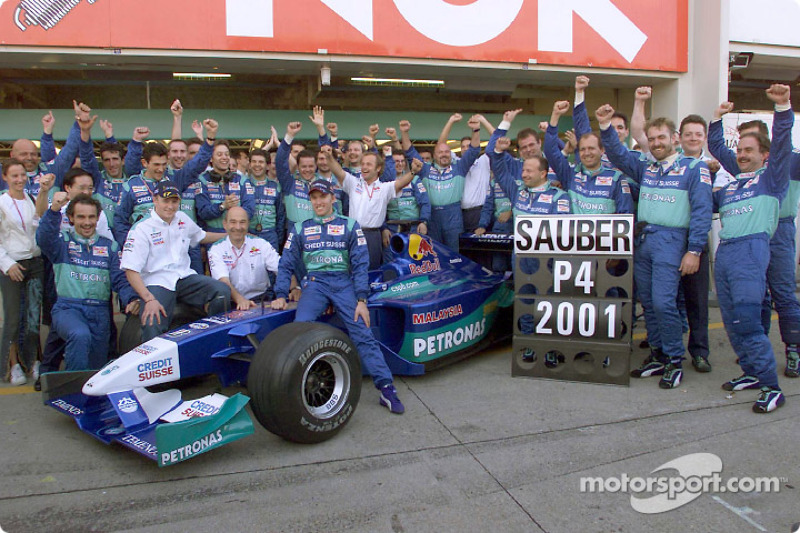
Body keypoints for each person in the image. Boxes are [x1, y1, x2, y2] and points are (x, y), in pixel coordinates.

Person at [596, 104, 712, 390]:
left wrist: (694, 250)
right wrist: (605, 126)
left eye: (662, 137)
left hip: (672, 242)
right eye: (652, 139)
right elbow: (618, 154)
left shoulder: (694, 168)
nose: (657, 143)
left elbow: (701, 211)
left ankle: (674, 359)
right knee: (648, 303)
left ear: (674, 138)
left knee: (663, 302)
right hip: (644, 239)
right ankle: (659, 354)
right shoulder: (647, 167)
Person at [271, 179, 405, 414]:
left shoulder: (350, 226)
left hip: (344, 284)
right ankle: (294, 388)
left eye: (323, 196)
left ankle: (386, 387)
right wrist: (281, 293)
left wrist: (362, 300)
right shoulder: (300, 228)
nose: (319, 202)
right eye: (314, 197)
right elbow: (286, 264)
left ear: (333, 198)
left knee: (362, 331)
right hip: (315, 284)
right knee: (299, 330)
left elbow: (361, 266)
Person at [712, 84, 794, 412]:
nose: (743, 155)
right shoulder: (732, 185)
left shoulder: (771, 180)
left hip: (750, 251)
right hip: (726, 252)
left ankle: (772, 388)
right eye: (740, 151)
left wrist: (783, 108)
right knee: (732, 320)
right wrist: (716, 121)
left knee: (747, 319)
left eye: (749, 150)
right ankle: (750, 371)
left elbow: (784, 144)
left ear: (764, 155)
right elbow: (705, 200)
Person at [36, 193, 138, 370]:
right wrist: (53, 210)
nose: (87, 222)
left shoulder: (109, 246)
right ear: (71, 218)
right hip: (68, 308)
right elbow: (43, 238)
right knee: (79, 334)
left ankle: (88, 394)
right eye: (81, 217)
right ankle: (73, 391)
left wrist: (131, 298)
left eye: (91, 217)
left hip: (99, 313)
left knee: (94, 368)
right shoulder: (61, 243)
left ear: (98, 218)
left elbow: (120, 278)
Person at [120, 181, 231, 342]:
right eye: (166, 201)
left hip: (184, 277)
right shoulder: (141, 229)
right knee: (152, 319)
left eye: (174, 201)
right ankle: (155, 365)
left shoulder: (182, 218)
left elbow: (202, 236)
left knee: (221, 291)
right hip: (157, 282)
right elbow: (130, 270)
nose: (170, 206)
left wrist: (231, 237)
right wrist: (148, 299)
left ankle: (210, 339)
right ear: (155, 200)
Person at [114, 119, 218, 246]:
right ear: (145, 163)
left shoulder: (174, 179)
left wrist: (210, 138)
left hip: (172, 246)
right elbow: (120, 221)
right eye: (156, 165)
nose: (160, 169)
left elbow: (196, 165)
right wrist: (130, 245)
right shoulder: (131, 185)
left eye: (164, 164)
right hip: (143, 246)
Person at [401, 116, 483, 251]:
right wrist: (404, 133)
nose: (444, 154)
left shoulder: (459, 167)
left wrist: (475, 130)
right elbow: (410, 152)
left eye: (447, 152)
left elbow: (474, 150)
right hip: (432, 217)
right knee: (434, 255)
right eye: (440, 152)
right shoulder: (425, 169)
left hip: (453, 216)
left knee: (454, 255)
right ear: (434, 155)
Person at [326, 150, 416, 269]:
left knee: (372, 269)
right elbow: (338, 171)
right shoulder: (353, 183)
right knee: (352, 269)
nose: (364, 167)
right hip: (353, 233)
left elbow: (400, 183)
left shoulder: (384, 188)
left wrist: (413, 171)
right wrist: (328, 156)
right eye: (362, 164)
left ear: (378, 168)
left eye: (369, 164)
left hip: (373, 235)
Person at [0, 160, 47, 385]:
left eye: (22, 176)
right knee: (12, 319)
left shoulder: (30, 200)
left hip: (34, 263)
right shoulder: (1, 203)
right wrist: (7, 263)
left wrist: (45, 193)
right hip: (12, 266)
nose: (19, 180)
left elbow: (39, 222)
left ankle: (32, 361)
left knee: (32, 317)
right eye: (14, 176)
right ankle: (12, 365)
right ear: (5, 177)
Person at [208, 206, 280, 309]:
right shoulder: (216, 249)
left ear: (248, 224)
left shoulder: (261, 244)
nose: (238, 227)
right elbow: (223, 281)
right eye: (233, 222)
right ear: (225, 224)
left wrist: (294, 288)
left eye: (242, 222)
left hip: (261, 300)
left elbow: (281, 268)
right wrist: (240, 300)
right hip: (231, 302)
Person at [195, 140, 256, 231]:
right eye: (219, 154)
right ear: (211, 158)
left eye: (226, 154)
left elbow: (250, 210)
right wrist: (222, 206)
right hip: (212, 234)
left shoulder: (242, 180)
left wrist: (234, 214)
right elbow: (203, 212)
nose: (224, 157)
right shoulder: (202, 180)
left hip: (237, 233)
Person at [243, 148, 284, 252]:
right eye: (254, 161)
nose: (257, 165)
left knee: (271, 267)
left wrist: (278, 238)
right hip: (248, 234)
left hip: (270, 235)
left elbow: (281, 215)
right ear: (249, 164)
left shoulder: (276, 186)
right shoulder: (243, 184)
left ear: (268, 165)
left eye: (261, 162)